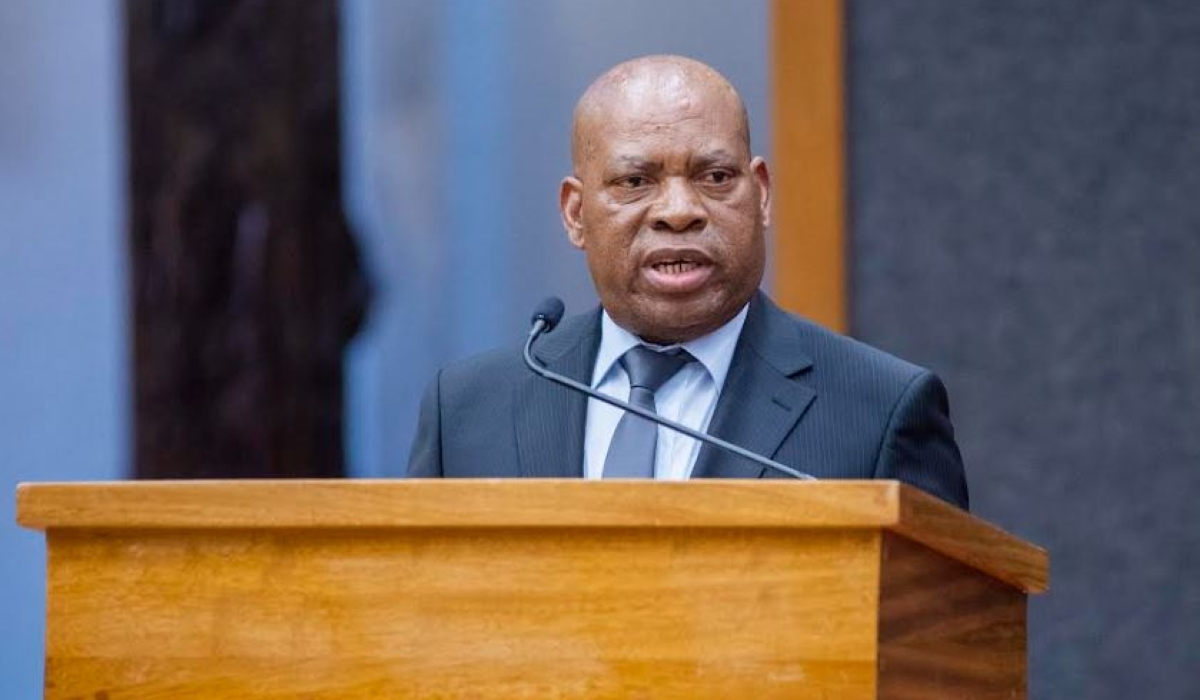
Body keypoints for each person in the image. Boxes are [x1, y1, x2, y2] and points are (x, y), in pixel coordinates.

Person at [407, 55, 968, 509]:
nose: (678, 211)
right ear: (576, 213)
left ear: (761, 194)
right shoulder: (468, 410)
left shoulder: (878, 412)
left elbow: (934, 641)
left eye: (715, 177)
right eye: (635, 181)